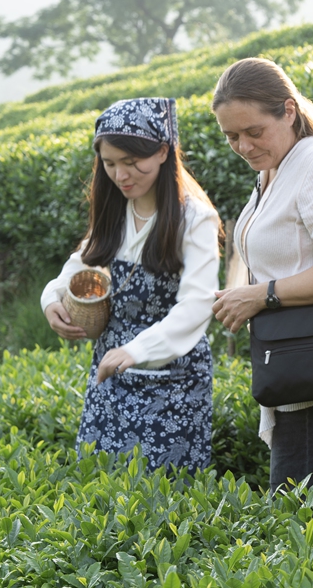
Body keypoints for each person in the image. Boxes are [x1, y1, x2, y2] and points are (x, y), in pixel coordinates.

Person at [209, 57, 313, 509]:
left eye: (253, 131)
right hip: (299, 369)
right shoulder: (275, 167)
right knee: (303, 529)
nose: (243, 146)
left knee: (307, 530)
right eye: (231, 137)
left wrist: (261, 297)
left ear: (288, 111)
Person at [42, 97, 221, 472]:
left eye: (130, 162)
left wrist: (138, 349)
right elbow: (81, 263)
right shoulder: (116, 210)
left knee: (168, 493)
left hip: (174, 372)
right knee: (101, 485)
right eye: (109, 164)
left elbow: (197, 303)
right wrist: (52, 298)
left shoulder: (195, 219)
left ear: (161, 151)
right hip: (111, 368)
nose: (121, 175)